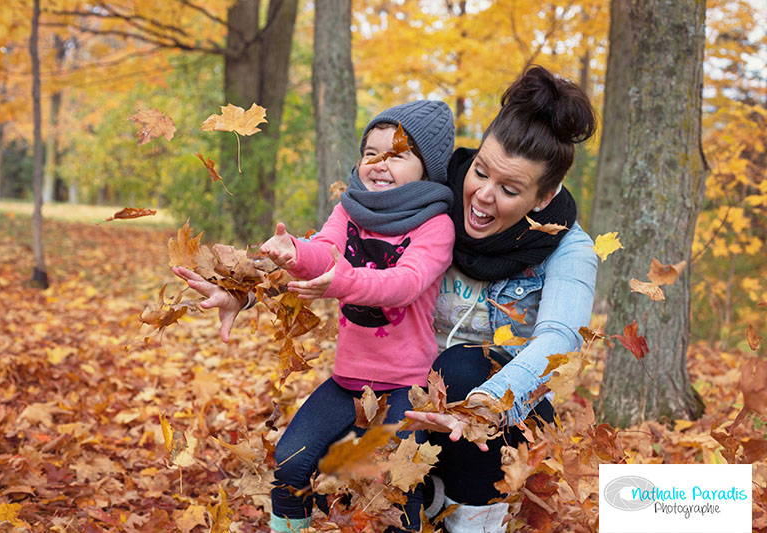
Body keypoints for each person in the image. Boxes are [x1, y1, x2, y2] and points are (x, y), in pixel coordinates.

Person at [175, 99, 456, 532]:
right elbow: (323, 249)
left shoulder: (435, 225)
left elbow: (406, 283)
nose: (380, 164)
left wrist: (342, 279)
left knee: (396, 489)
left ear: (427, 170)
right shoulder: (350, 209)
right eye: (371, 153)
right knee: (290, 464)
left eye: (397, 155)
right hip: (346, 383)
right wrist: (293, 252)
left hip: (404, 389)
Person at [404, 65, 597, 533]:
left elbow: (560, 340)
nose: (482, 197)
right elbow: (347, 248)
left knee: (466, 367)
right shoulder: (432, 200)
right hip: (409, 400)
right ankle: (423, 498)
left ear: (543, 197)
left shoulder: (570, 248)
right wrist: (245, 287)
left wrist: (488, 404)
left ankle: (474, 519)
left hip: (500, 415)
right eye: (480, 172)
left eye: (509, 189)